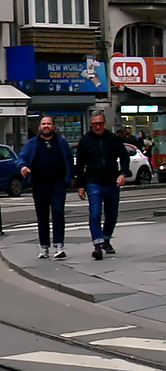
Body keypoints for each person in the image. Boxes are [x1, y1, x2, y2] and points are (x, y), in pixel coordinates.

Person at [17, 115, 74, 260]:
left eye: (49, 124)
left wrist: (72, 178)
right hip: (39, 185)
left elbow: (69, 161)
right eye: (43, 124)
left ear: (54, 127)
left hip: (57, 185)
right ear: (39, 127)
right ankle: (44, 248)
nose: (46, 126)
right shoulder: (32, 144)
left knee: (58, 214)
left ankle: (59, 246)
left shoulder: (61, 142)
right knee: (42, 217)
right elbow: (21, 157)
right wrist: (23, 167)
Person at [75, 112, 129, 261]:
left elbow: (124, 156)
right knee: (95, 212)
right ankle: (97, 244)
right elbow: (80, 164)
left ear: (104, 123)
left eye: (100, 124)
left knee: (112, 214)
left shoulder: (113, 139)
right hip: (93, 181)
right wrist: (80, 185)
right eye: (95, 124)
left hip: (112, 181)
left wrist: (123, 173)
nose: (98, 127)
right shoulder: (85, 141)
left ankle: (106, 239)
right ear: (91, 124)